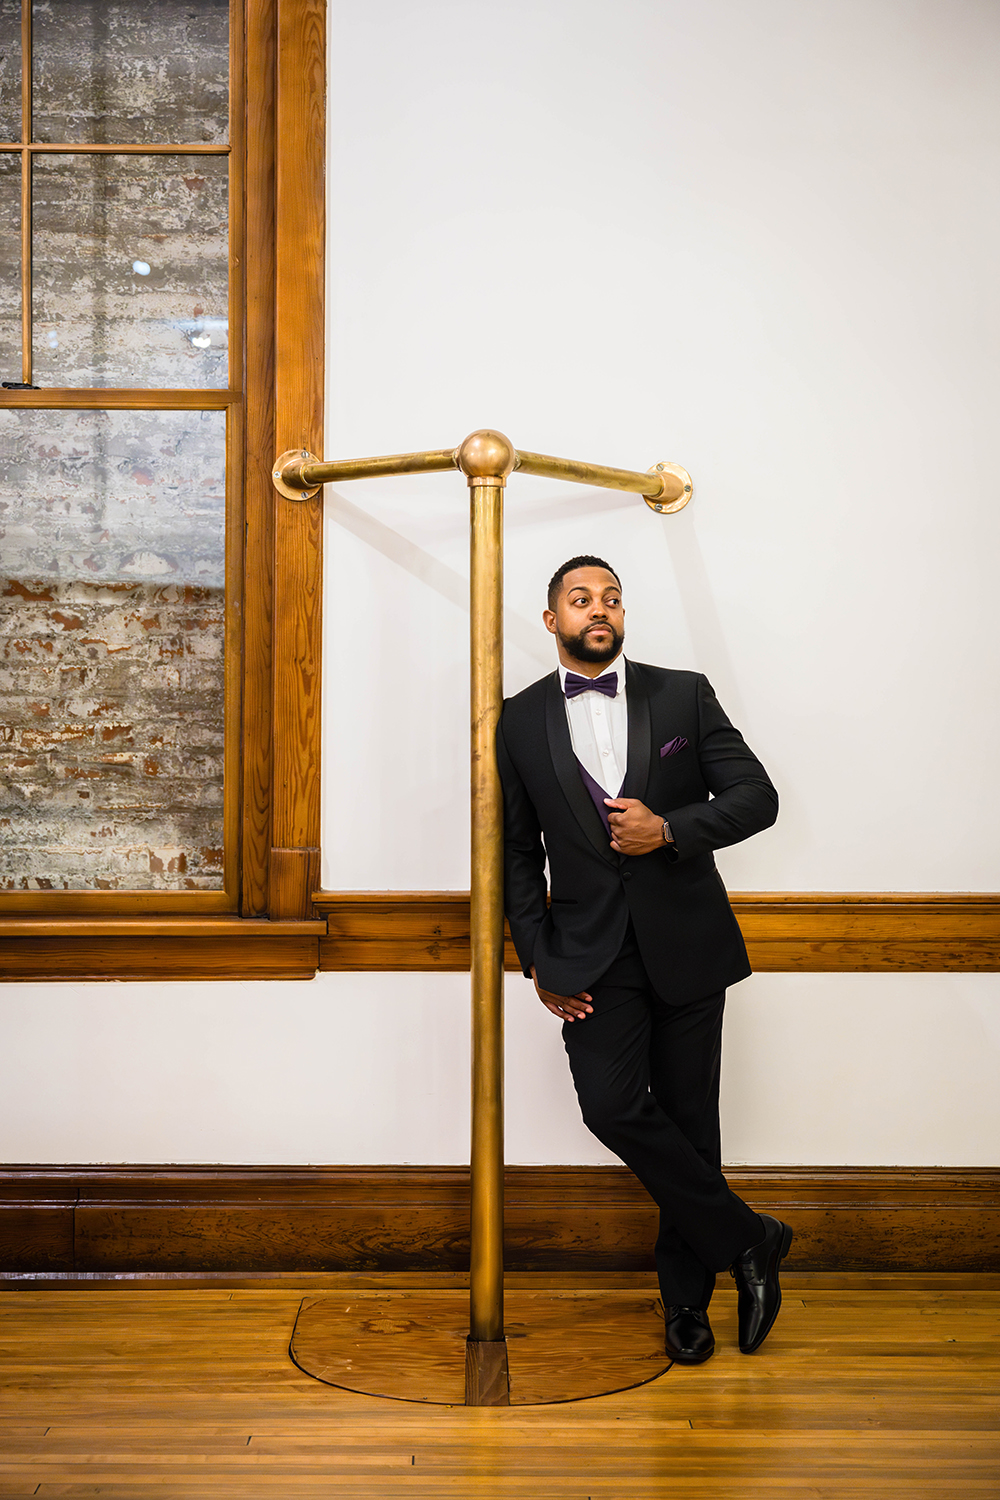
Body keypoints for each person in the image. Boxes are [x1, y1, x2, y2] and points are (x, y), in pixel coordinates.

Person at [497, 555, 792, 1363]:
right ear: (552, 618)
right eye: (581, 599)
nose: (601, 609)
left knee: (693, 1125)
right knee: (612, 1103)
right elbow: (517, 853)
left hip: (689, 943)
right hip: (590, 956)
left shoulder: (682, 694)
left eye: (613, 599)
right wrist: (537, 960)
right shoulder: (517, 719)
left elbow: (756, 797)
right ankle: (749, 1236)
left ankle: (685, 1305)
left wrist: (670, 828)